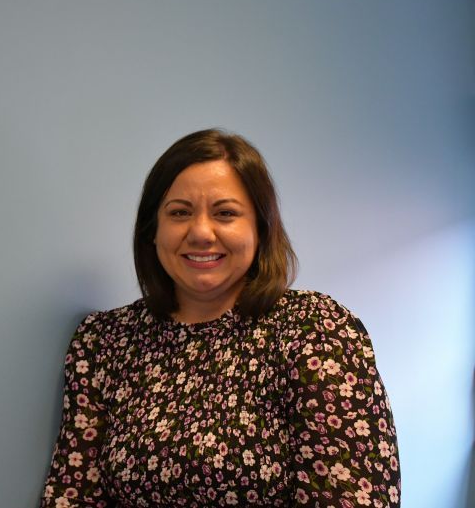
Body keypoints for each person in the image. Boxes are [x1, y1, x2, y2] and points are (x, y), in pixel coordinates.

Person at [38, 129, 400, 507]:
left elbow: (351, 497)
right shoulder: (104, 342)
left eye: (225, 213)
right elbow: (72, 493)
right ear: (152, 231)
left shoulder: (315, 331)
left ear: (260, 228)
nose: (200, 232)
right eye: (179, 213)